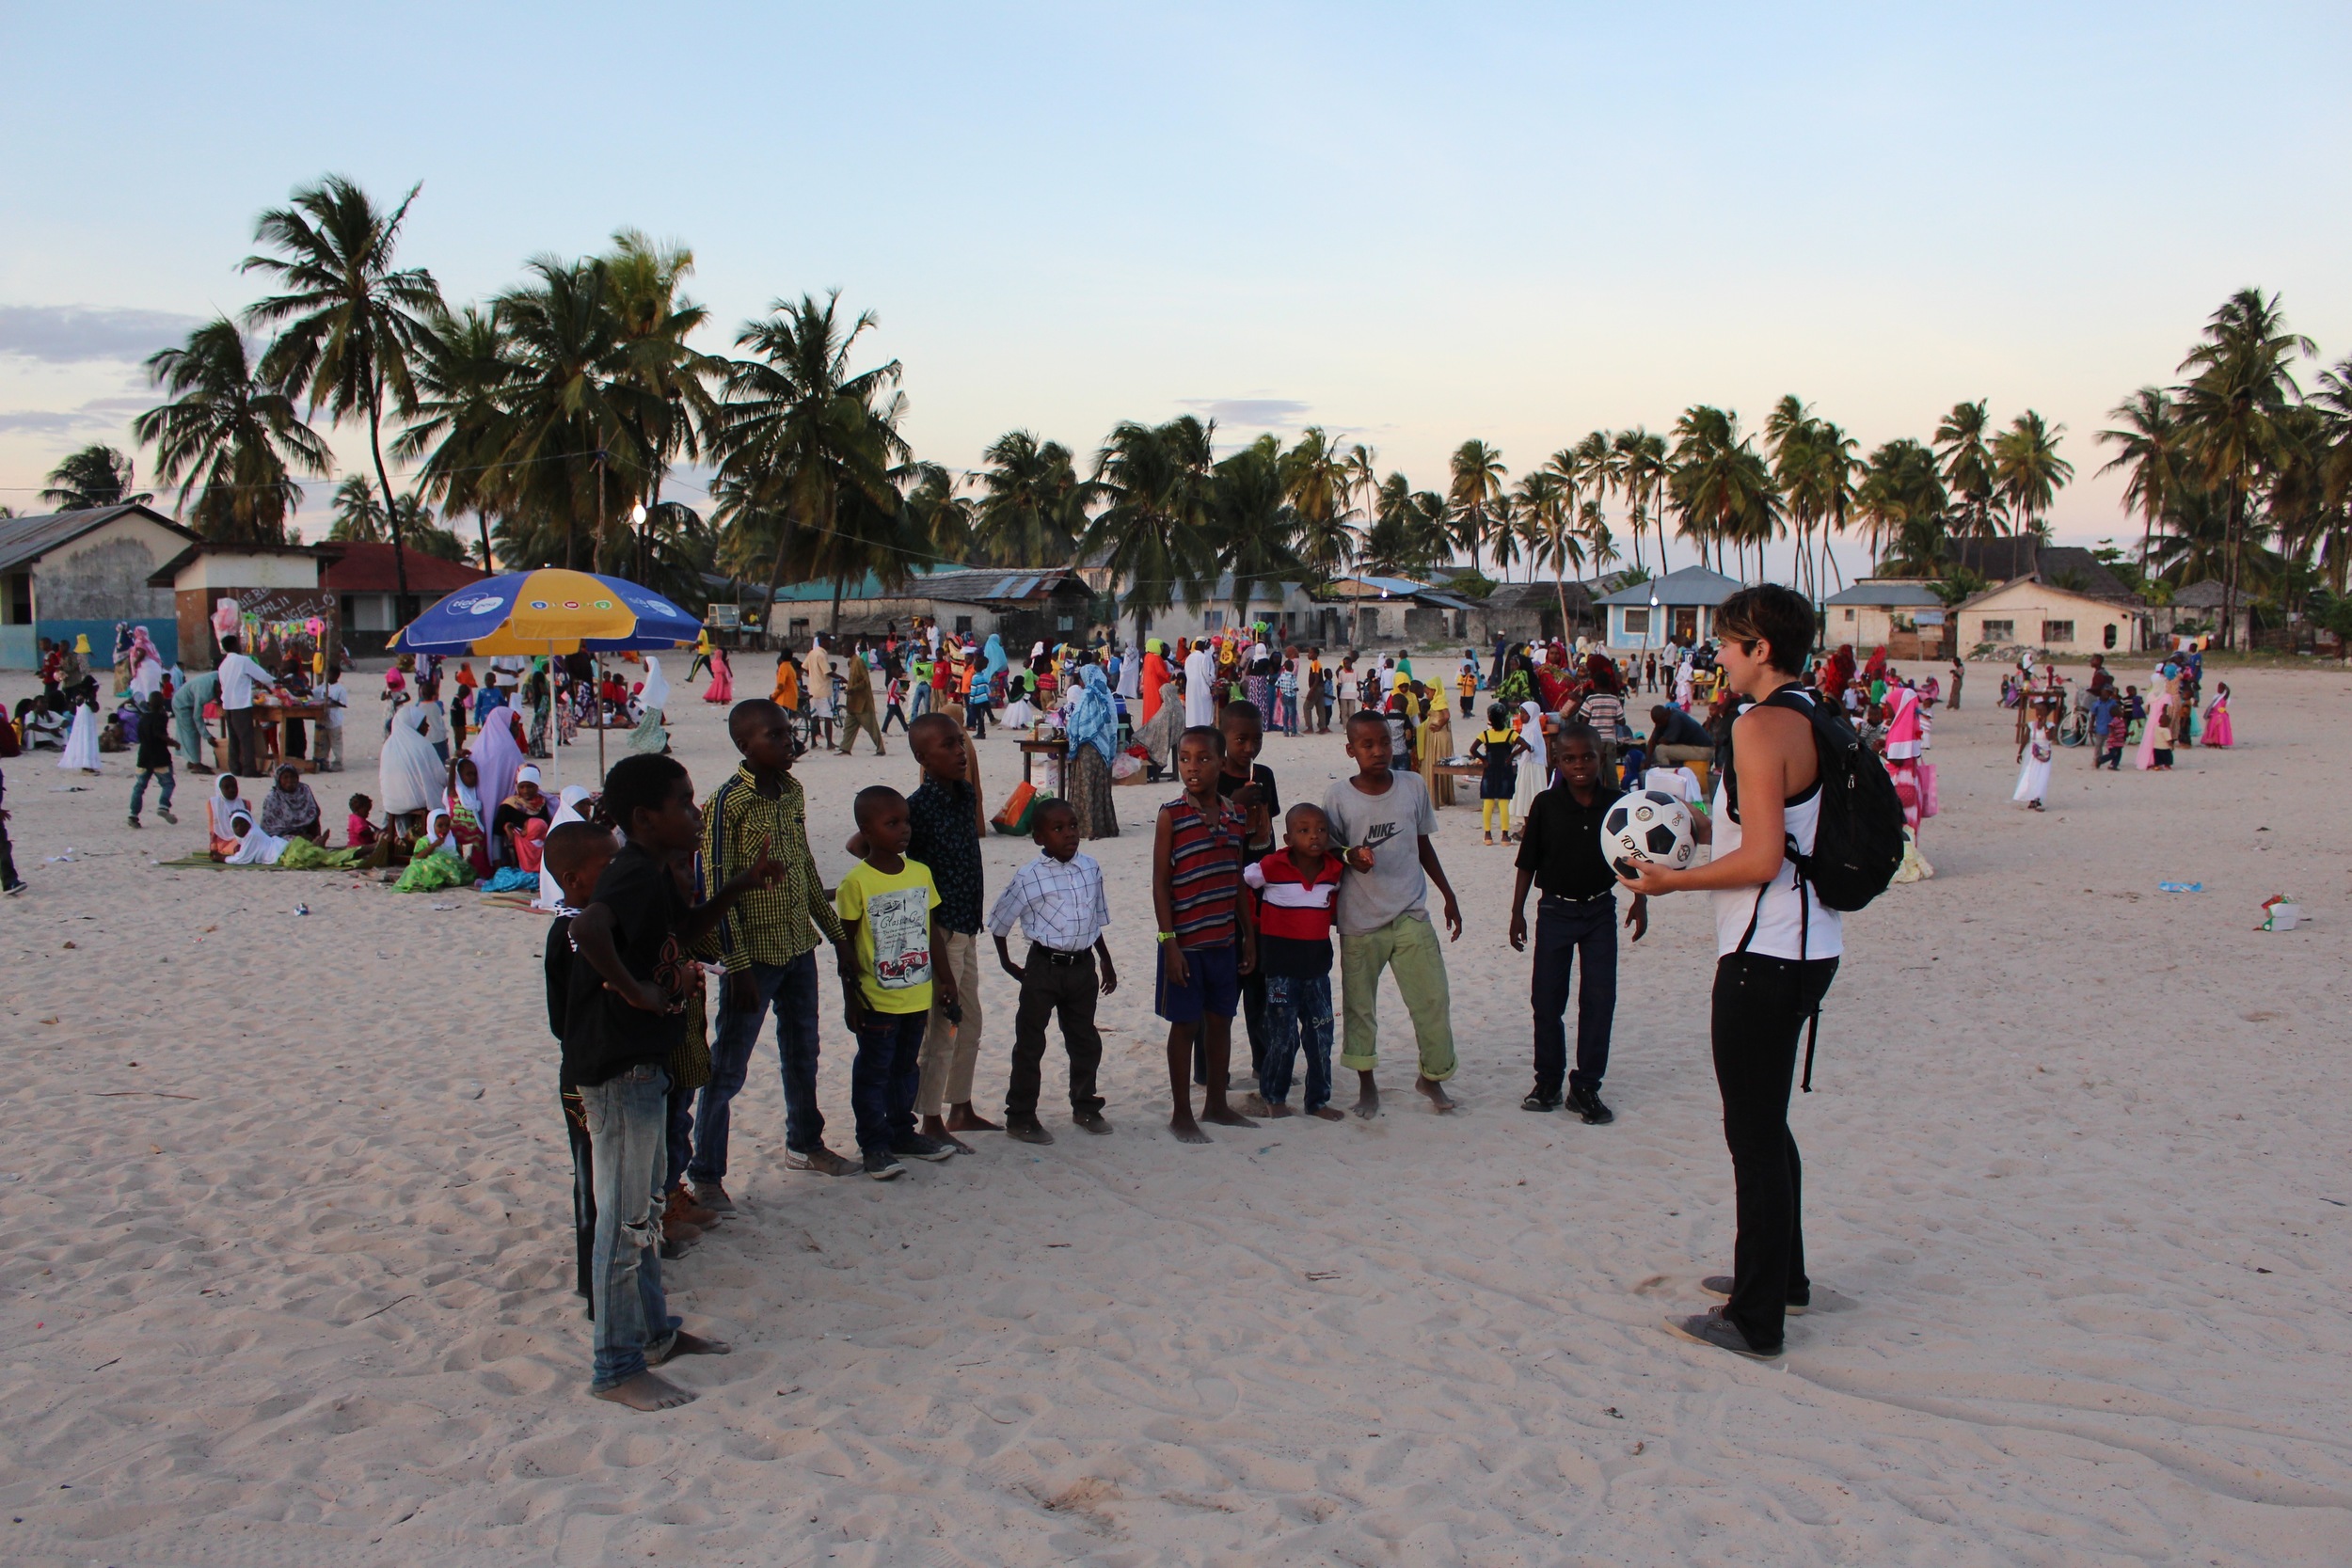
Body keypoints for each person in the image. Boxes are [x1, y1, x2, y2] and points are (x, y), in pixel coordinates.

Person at [1614, 584, 1844, 1360]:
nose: (1718, 655)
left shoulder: (1758, 724)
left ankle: (1756, 1318)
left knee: (1751, 1131)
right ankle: (1784, 1278)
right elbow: (1777, 828)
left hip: (1764, 951)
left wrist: (1669, 882)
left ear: (1762, 650)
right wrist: (1706, 831)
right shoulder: (1817, 713)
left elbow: (1764, 858)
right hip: (1813, 948)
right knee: (1769, 1122)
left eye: (1729, 643)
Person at [564, 752, 773, 1407]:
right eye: (684, 803)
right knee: (624, 1220)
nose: (695, 811)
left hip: (646, 1062)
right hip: (620, 1068)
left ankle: (654, 1333)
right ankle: (615, 1364)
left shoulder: (655, 873)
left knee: (646, 1212)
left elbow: (681, 932)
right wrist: (639, 993)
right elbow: (588, 925)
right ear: (644, 818)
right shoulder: (628, 873)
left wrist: (738, 887)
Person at [694, 700, 857, 1193]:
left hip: (796, 947)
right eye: (776, 736)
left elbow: (804, 867)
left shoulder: (792, 792)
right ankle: (706, 1174)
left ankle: (805, 1143)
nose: (789, 742)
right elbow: (717, 886)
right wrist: (738, 965)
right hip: (753, 956)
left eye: (788, 733)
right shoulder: (726, 803)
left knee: (802, 1049)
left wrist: (836, 935)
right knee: (728, 1065)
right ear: (746, 745)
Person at [1323, 709, 1463, 1118]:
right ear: (1351, 750)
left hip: (1410, 911)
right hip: (1360, 920)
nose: (1378, 751)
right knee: (1360, 1007)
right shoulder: (1338, 796)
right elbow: (1325, 848)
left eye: (1384, 742)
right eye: (1367, 745)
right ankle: (1367, 1084)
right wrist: (1351, 856)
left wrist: (1447, 893)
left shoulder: (1412, 786)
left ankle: (1432, 1077)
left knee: (1432, 998)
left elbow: (1422, 844)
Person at [1510, 721, 1646, 1121]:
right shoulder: (1546, 806)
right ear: (1556, 760)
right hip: (1554, 911)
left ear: (1600, 756)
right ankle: (1548, 1081)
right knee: (1547, 1000)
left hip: (1600, 911)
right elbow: (1527, 863)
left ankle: (1585, 1087)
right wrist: (1517, 911)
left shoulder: (1617, 804)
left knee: (1599, 1000)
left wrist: (1639, 901)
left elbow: (1633, 859)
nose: (1579, 765)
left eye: (1587, 756)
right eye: (1569, 758)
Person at [834, 785, 962, 1180]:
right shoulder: (857, 883)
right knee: (874, 1072)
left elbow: (930, 931)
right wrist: (851, 999)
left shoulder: (920, 873)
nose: (903, 830)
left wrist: (946, 980)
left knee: (906, 1068)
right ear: (866, 830)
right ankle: (874, 1144)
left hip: (917, 994)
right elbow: (846, 948)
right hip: (877, 998)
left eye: (905, 821)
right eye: (892, 824)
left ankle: (902, 1132)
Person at [989, 798, 1118, 1144]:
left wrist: (1105, 959)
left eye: (1073, 825)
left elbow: (1095, 919)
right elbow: (1000, 921)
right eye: (1058, 829)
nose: (1069, 834)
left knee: (1084, 1040)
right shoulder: (1029, 877)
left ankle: (1086, 1105)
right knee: (1031, 1043)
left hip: (1082, 968)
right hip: (1043, 968)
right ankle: (1021, 1115)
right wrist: (1007, 962)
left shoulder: (1090, 868)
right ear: (1039, 837)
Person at [1153, 726, 1259, 1144]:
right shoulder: (1171, 815)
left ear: (1221, 763)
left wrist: (1247, 935)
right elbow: (1161, 883)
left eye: (1202, 759)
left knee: (1221, 1023)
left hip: (1223, 942)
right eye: (1184, 758)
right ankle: (1182, 1113)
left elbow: (1235, 878)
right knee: (1184, 1026)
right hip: (1185, 945)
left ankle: (1216, 1103)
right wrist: (1169, 942)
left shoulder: (1234, 814)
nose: (1192, 768)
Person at [897, 712, 993, 1150]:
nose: (960, 752)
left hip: (967, 926)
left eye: (961, 743)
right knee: (944, 1027)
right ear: (922, 756)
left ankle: (961, 1106)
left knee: (970, 1021)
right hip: (939, 932)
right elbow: (873, 849)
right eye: (949, 746)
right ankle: (930, 1118)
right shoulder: (916, 809)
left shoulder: (963, 793)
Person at [543, 818, 617, 1309]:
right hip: (590, 1072)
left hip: (597, 1065)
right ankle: (596, 1286)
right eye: (608, 865)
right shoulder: (571, 935)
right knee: (593, 1178)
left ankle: (609, 1278)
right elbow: (561, 1017)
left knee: (607, 1176)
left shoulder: (602, 921)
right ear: (573, 880)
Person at [1241, 802, 1344, 1120]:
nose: (1314, 836)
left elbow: (1336, 905)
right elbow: (1242, 883)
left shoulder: (1334, 871)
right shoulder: (1271, 866)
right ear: (1288, 837)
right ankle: (1274, 1097)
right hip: (1281, 971)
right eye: (1304, 831)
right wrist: (1252, 926)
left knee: (1321, 1036)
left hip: (1317, 969)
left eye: (1321, 830)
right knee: (1282, 1037)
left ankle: (1318, 1101)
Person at [1062, 662, 1120, 839]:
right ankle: (1104, 827)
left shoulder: (1088, 694)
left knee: (1085, 786)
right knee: (1101, 787)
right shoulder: (1107, 694)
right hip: (1103, 748)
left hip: (1088, 747)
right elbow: (1112, 723)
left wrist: (1072, 739)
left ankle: (1087, 827)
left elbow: (1078, 722)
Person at [214, 636, 279, 778]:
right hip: (240, 705)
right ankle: (249, 769)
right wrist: (275, 685)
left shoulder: (223, 664)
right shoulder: (243, 661)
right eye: (238, 643)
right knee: (246, 738)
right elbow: (263, 676)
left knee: (234, 739)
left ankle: (235, 768)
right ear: (234, 645)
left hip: (228, 705)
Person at [1470, 702, 1526, 847]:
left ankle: (1488, 835)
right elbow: (1525, 745)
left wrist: (1483, 759)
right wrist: (1512, 755)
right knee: (1503, 802)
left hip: (1489, 769)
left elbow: (1473, 749)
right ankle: (1504, 836)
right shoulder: (1510, 733)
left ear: (1490, 718)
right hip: (1505, 769)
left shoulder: (1485, 735)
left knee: (1488, 802)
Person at [128, 690, 177, 829]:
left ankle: (133, 815)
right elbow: (160, 735)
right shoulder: (162, 718)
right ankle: (163, 805)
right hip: (160, 756)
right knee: (168, 784)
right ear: (162, 704)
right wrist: (173, 743)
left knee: (139, 787)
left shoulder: (142, 718)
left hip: (143, 756)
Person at [837, 646, 886, 756]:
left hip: (862, 702)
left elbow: (865, 681)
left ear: (850, 650)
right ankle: (845, 748)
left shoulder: (859, 662)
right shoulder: (851, 662)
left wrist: (852, 689)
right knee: (849, 726)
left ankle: (880, 749)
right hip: (853, 701)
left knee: (871, 727)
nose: (843, 652)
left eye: (844, 649)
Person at [259, 764, 326, 842]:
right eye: (285, 777)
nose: (290, 780)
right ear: (278, 779)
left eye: (292, 777)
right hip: (281, 835)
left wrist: (315, 835)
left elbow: (314, 813)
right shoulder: (272, 797)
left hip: (304, 831)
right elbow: (269, 828)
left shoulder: (304, 790)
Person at [1647, 703, 1712, 771]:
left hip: (1703, 750)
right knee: (1660, 750)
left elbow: (1664, 741)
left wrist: (1657, 739)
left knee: (1660, 750)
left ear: (1665, 717)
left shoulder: (1675, 718)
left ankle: (1668, 775)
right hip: (1696, 747)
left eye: (1659, 723)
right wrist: (1647, 760)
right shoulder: (1666, 716)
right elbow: (1652, 740)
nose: (1658, 725)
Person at [58, 694, 102, 774]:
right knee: (85, 741)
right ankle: (86, 767)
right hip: (85, 721)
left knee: (86, 741)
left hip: (86, 721)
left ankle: (88, 765)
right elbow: (94, 708)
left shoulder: (84, 698)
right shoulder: (84, 699)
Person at [1183, 638, 1217, 728]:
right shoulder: (1203, 657)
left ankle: (1192, 724)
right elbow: (1205, 673)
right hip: (1201, 684)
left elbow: (1186, 671)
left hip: (1190, 685)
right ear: (1202, 648)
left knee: (1192, 705)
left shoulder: (1189, 657)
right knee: (1204, 705)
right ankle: (1203, 724)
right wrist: (1210, 684)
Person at [2203, 681, 2234, 747]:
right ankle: (2212, 742)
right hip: (2213, 714)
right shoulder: (2216, 697)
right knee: (2211, 729)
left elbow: (2228, 692)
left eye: (2221, 688)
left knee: (2219, 730)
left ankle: (2219, 742)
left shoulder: (2224, 697)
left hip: (2221, 716)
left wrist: (2226, 688)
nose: (2219, 689)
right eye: (2218, 688)